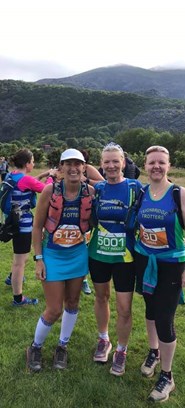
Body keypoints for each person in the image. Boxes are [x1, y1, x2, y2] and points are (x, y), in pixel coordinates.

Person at [134, 145, 185, 403]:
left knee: (164, 318)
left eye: (161, 162)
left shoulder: (178, 193)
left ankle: (167, 376)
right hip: (144, 260)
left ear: (168, 165)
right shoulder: (141, 193)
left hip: (172, 264)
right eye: (151, 163)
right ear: (145, 166)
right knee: (150, 310)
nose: (156, 166)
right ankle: (153, 351)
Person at [26, 148, 94, 372]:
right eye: (68, 163)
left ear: (84, 167)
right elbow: (37, 227)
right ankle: (35, 347)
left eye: (78, 164)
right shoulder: (50, 190)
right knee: (54, 309)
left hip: (77, 255)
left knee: (73, 303)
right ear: (61, 167)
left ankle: (62, 347)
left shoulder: (91, 192)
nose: (73, 168)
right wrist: (38, 259)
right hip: (53, 255)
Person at [88, 142, 142, 376]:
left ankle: (121, 350)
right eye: (107, 161)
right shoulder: (98, 189)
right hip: (98, 253)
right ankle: (104, 339)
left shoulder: (134, 187)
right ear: (102, 164)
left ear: (123, 162)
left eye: (115, 161)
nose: (111, 165)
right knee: (101, 297)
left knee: (124, 308)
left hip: (125, 257)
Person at [3, 148, 55, 306]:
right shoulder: (26, 180)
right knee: (20, 261)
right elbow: (46, 190)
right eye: (33, 162)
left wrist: (44, 174)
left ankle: (12, 278)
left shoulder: (10, 175)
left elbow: (28, 182)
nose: (34, 164)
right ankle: (18, 299)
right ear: (27, 164)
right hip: (23, 226)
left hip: (12, 222)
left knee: (21, 257)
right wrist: (51, 177)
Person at [79, 149, 104, 294]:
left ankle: (83, 280)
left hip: (85, 215)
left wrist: (87, 180)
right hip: (64, 215)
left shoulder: (88, 169)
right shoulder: (64, 168)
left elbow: (103, 184)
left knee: (84, 248)